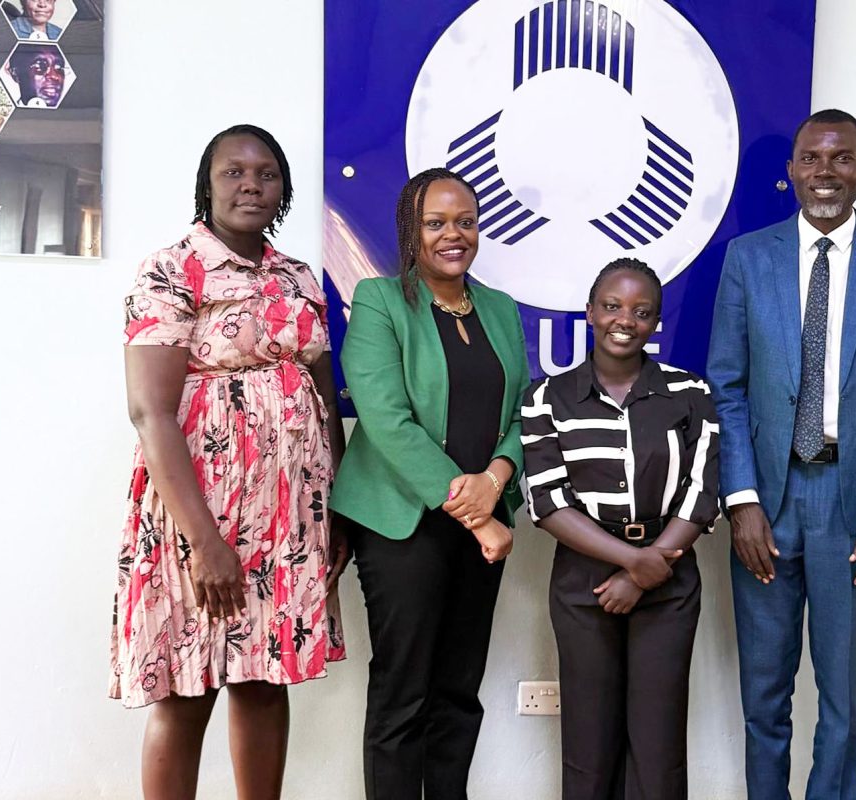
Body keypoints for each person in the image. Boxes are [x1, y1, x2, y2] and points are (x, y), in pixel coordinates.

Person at [110, 124, 347, 800]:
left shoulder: (298, 277)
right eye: (233, 172)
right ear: (206, 185)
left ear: (284, 189)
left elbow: (324, 397)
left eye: (267, 174)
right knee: (186, 688)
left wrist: (340, 507)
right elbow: (150, 413)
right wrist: (204, 541)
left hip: (290, 516)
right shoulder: (172, 269)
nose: (251, 185)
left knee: (265, 680)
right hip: (199, 512)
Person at [707, 108, 856, 800]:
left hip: (853, 508)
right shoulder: (750, 257)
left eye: (841, 158)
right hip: (766, 504)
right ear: (791, 172)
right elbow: (727, 386)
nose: (825, 172)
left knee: (843, 698)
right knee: (763, 695)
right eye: (811, 158)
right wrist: (740, 499)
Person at [329, 167, 531, 800]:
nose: (454, 234)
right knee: (404, 690)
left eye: (465, 222)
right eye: (436, 222)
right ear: (409, 230)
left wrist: (497, 477)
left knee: (458, 691)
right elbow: (386, 420)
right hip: (404, 526)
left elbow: (523, 411)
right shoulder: (379, 301)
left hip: (481, 529)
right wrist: (478, 515)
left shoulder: (499, 308)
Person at [522, 258, 720, 800]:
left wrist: (645, 571)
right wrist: (632, 562)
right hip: (583, 582)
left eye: (641, 311)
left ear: (656, 322)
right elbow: (548, 502)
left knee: (658, 745)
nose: (625, 320)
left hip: (668, 580)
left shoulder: (690, 392)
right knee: (588, 743)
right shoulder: (546, 398)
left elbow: (702, 493)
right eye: (612, 306)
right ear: (589, 312)